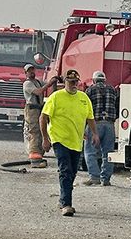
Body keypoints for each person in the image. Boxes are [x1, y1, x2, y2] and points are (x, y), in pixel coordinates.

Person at [40, 69, 98, 217]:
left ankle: (62, 198)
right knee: (65, 170)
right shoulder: (56, 97)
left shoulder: (84, 98)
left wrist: (95, 134)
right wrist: (46, 139)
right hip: (59, 139)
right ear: (64, 82)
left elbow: (90, 118)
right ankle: (66, 204)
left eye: (75, 82)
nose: (73, 85)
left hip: (76, 141)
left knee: (72, 172)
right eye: (70, 82)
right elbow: (43, 117)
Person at [84, 71, 119, 186]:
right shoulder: (113, 90)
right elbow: (117, 106)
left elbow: (85, 110)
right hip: (109, 124)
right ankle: (106, 179)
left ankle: (94, 177)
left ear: (94, 80)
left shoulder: (89, 90)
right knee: (108, 153)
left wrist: (84, 126)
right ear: (104, 79)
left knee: (90, 151)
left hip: (95, 123)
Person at [22, 64, 51, 168]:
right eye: (29, 71)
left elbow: (46, 84)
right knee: (34, 131)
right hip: (32, 110)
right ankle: (34, 158)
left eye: (32, 70)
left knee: (41, 130)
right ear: (26, 73)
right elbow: (39, 92)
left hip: (39, 108)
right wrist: (49, 84)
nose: (31, 72)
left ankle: (39, 155)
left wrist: (54, 80)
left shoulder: (38, 82)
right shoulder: (27, 84)